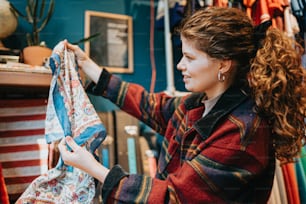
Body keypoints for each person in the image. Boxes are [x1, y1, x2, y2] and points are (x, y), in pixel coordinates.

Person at [57, 6, 306, 203]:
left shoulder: (242, 133)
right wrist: (89, 66)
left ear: (223, 63)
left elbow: (173, 198)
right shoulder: (199, 102)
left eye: (189, 57)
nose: (180, 66)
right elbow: (151, 105)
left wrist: (95, 170)